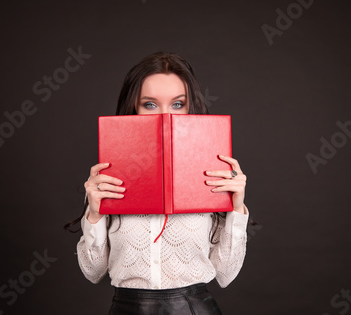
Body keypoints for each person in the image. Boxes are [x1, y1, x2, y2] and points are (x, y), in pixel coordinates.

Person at [65, 52, 251, 314]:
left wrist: (236, 209)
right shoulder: (108, 179)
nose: (166, 116)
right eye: (150, 104)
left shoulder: (213, 173)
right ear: (133, 108)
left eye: (177, 104)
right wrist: (93, 214)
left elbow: (226, 274)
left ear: (190, 107)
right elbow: (93, 272)